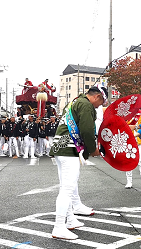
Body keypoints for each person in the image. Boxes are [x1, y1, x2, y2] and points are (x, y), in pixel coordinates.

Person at [49, 86, 108, 240]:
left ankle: (69, 220)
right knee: (67, 188)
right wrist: (92, 150)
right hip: (69, 149)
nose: (99, 106)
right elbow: (87, 130)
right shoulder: (86, 105)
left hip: (60, 146)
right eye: (101, 102)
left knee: (66, 186)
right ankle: (59, 226)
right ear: (97, 97)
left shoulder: (75, 102)